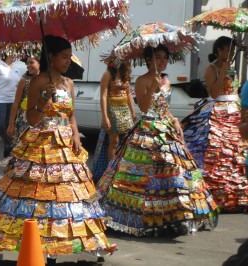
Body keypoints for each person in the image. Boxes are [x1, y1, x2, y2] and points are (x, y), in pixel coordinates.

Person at [0, 35, 117, 262]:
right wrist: (43, 100)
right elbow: (30, 118)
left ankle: (70, 243)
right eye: (64, 57)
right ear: (51, 57)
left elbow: (71, 114)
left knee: (68, 194)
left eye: (70, 57)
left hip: (65, 144)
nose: (69, 61)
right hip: (41, 143)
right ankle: (39, 245)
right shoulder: (38, 81)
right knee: (38, 194)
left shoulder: (69, 82)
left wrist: (76, 136)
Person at [97, 45, 219, 237]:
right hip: (147, 131)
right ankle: (144, 218)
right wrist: (152, 88)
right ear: (148, 60)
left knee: (175, 170)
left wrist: (174, 120)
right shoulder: (142, 81)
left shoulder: (167, 81)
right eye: (158, 58)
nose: (161, 61)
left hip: (166, 131)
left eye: (164, 58)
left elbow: (164, 108)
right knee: (145, 177)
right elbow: (145, 108)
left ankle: (175, 214)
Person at [182, 36, 248, 211]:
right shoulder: (211, 69)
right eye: (228, 49)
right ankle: (216, 193)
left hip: (234, 113)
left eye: (233, 50)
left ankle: (237, 194)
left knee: (237, 152)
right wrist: (223, 73)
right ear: (219, 50)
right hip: (217, 114)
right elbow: (213, 93)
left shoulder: (232, 69)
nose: (231, 53)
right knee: (216, 151)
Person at [92, 61, 136, 182]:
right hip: (112, 109)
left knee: (127, 141)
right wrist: (105, 116)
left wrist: (133, 111)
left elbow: (129, 94)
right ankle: (111, 172)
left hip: (125, 110)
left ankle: (123, 168)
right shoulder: (107, 74)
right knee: (114, 142)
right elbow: (103, 96)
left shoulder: (125, 75)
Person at [6, 55, 40, 141]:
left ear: (40, 63)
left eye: (31, 62)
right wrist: (11, 125)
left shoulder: (46, 81)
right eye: (27, 63)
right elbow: (16, 103)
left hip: (40, 119)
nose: (28, 65)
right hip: (24, 120)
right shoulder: (24, 80)